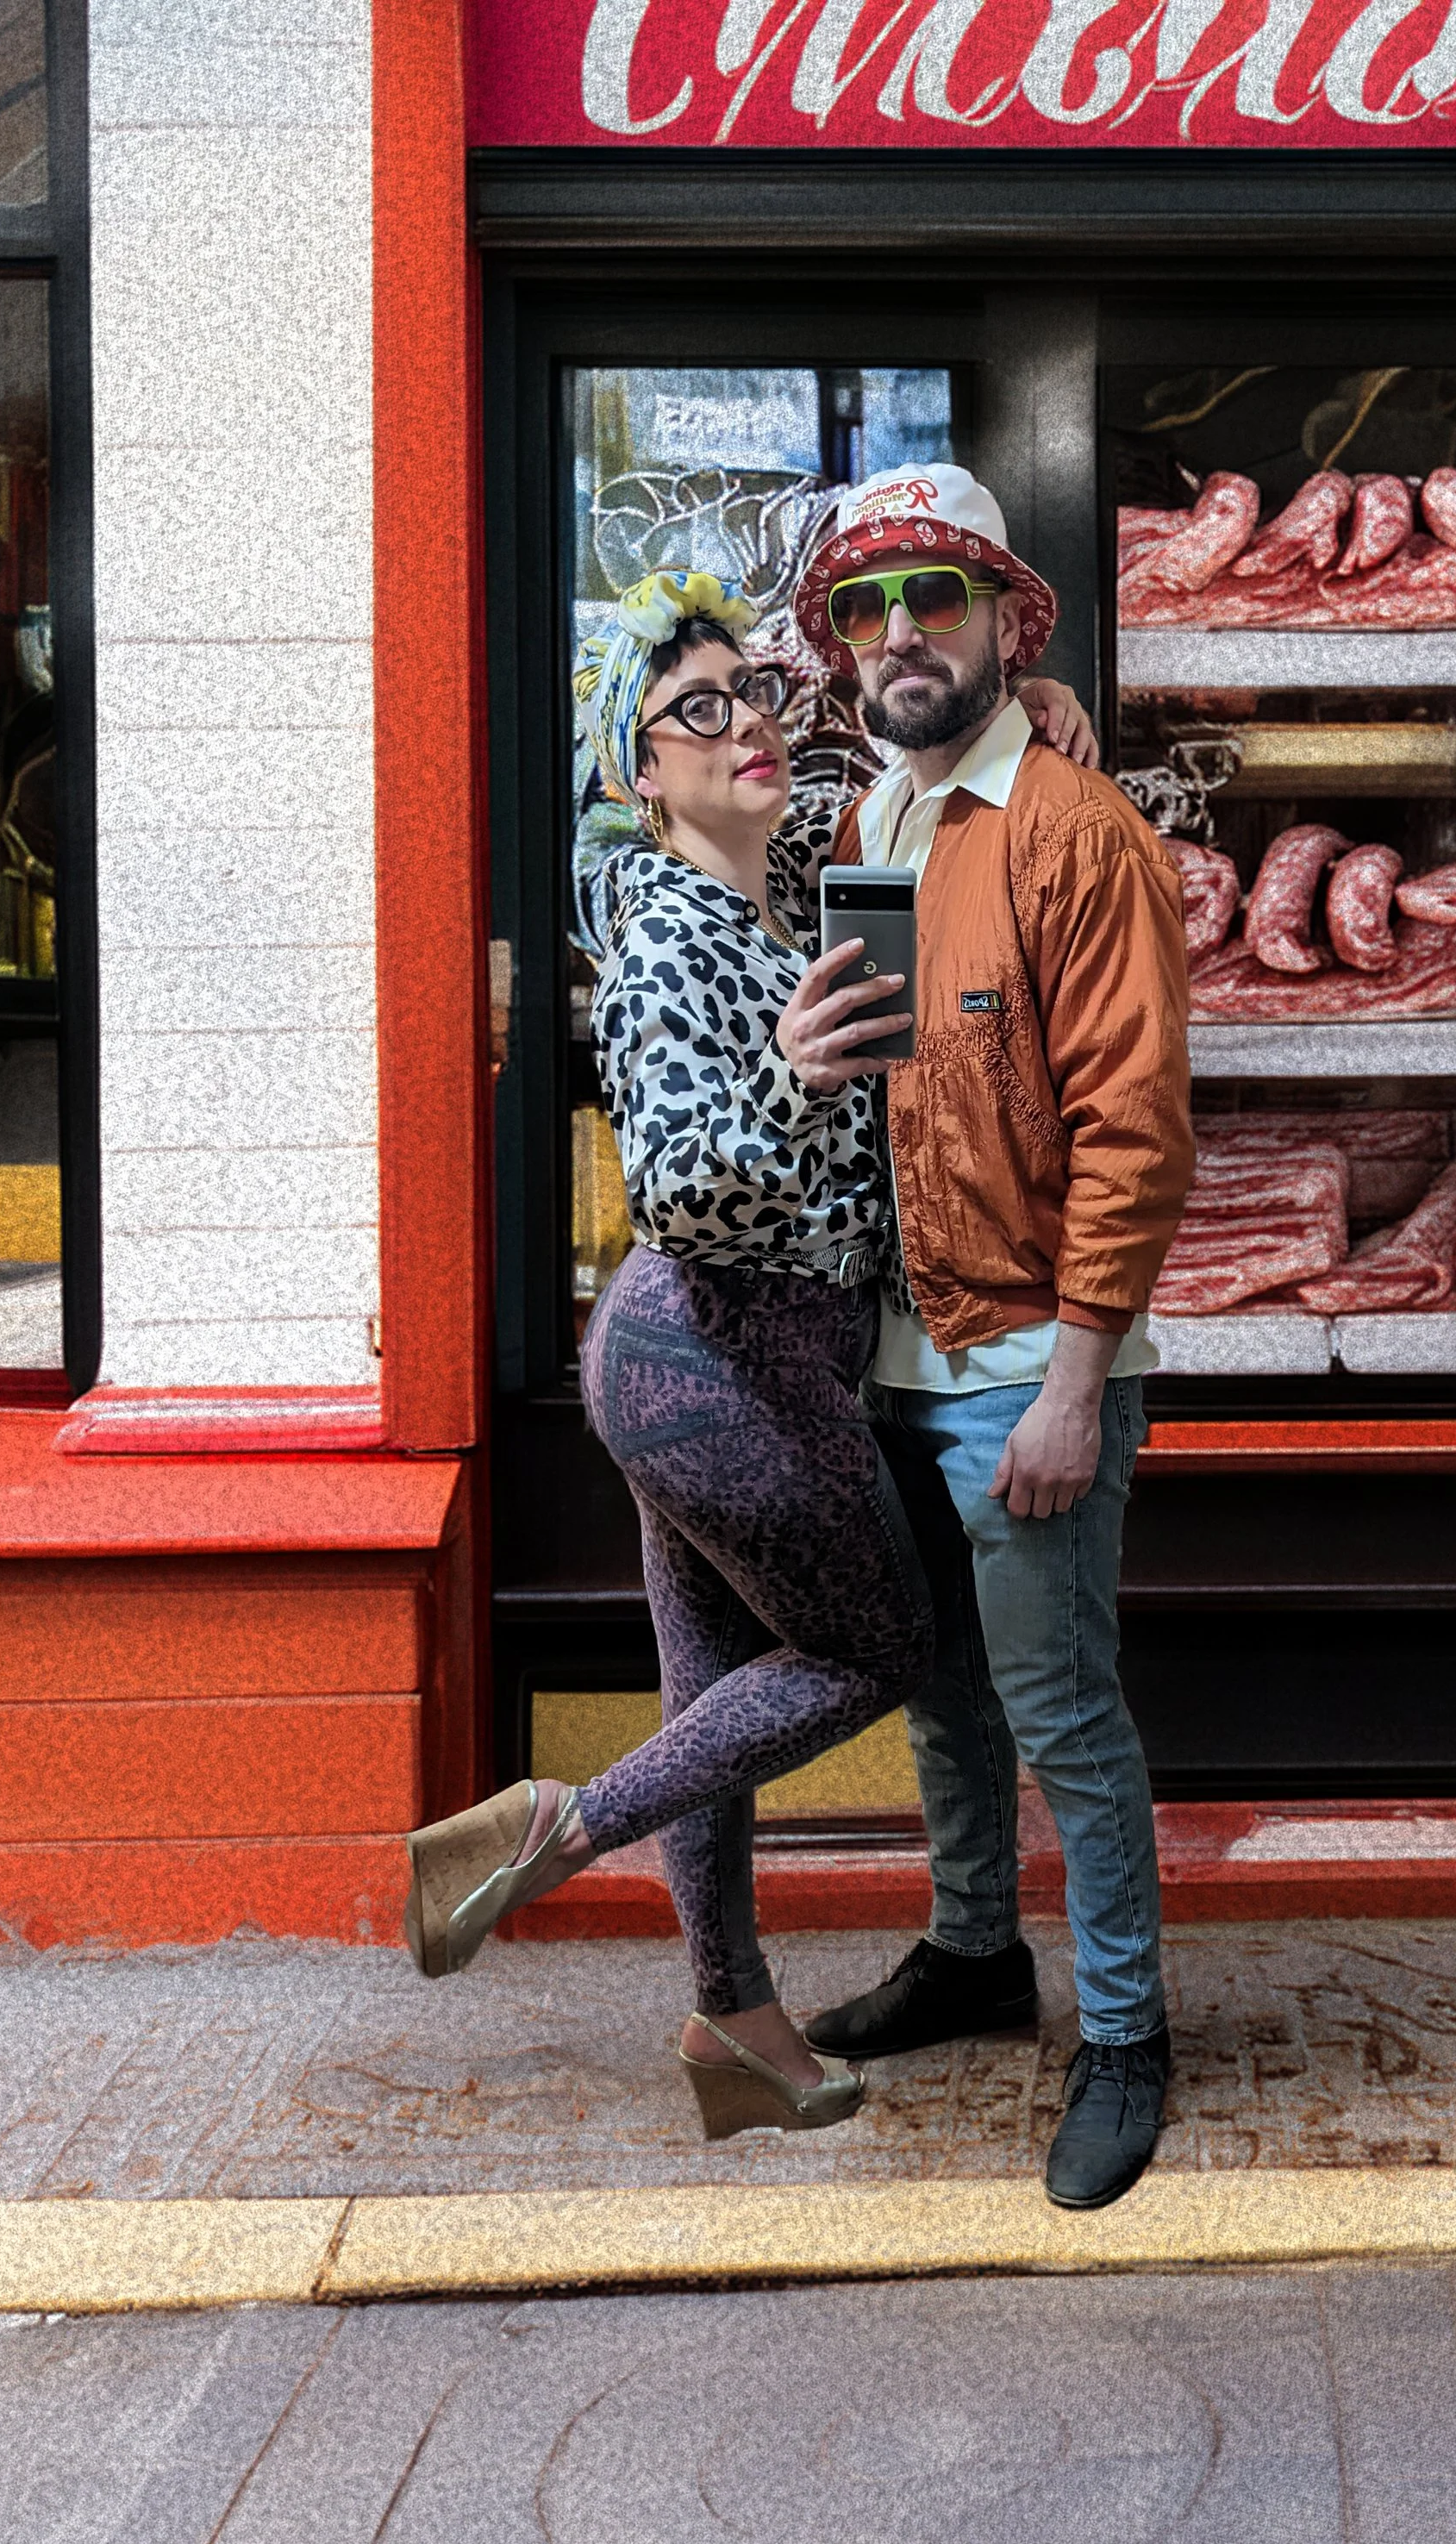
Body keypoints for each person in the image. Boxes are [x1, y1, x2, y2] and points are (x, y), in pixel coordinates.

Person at [397, 565, 1098, 2142]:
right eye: (692, 714)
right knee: (877, 1649)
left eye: (757, 694)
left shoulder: (786, 881)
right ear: (639, 775)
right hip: (720, 1353)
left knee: (716, 1686)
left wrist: (1049, 713)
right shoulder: (667, 932)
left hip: (702, 1362)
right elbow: (684, 1186)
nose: (744, 725)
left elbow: (940, 741)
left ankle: (733, 2027)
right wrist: (789, 1075)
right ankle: (547, 1828)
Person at [788, 467, 1195, 2211]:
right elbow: (876, 1078)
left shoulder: (1077, 832)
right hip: (894, 1359)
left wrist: (1077, 1383)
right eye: (864, 609)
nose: (898, 635)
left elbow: (1133, 1125)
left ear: (1005, 619)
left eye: (932, 598)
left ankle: (1123, 2036)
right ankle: (971, 1955)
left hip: (1031, 1369)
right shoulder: (872, 828)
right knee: (946, 1705)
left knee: (1060, 1715)